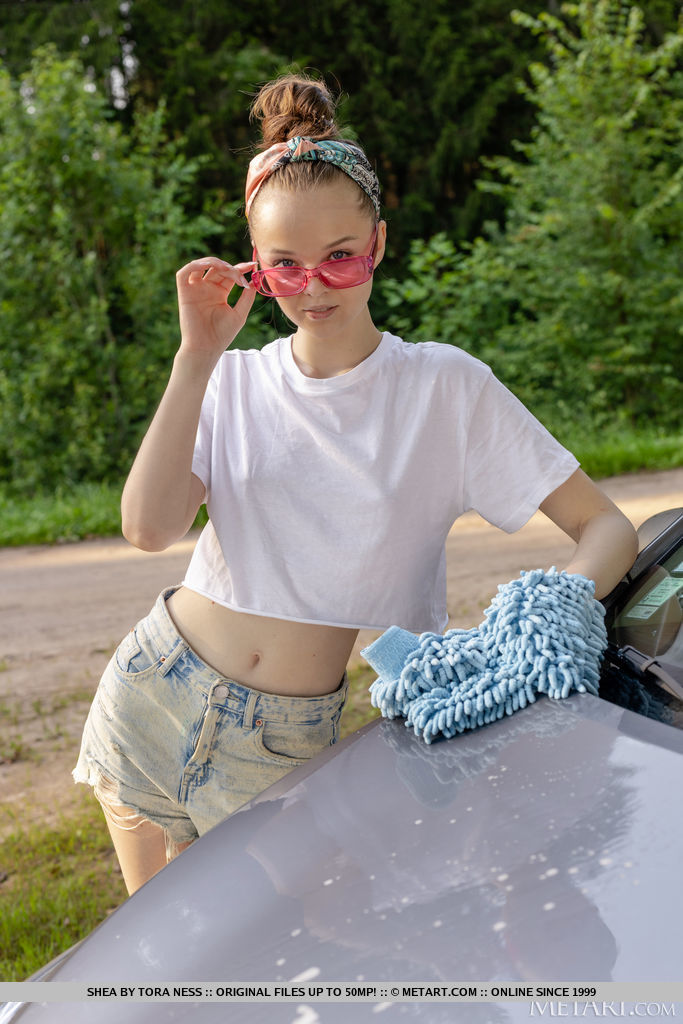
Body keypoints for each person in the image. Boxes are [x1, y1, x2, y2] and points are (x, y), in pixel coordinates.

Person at [73, 73, 638, 895]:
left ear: (375, 243)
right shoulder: (227, 381)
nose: (313, 288)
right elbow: (147, 529)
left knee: (268, 972)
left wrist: (536, 619)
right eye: (285, 268)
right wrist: (194, 356)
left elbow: (609, 529)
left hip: (284, 739)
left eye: (338, 258)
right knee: (159, 973)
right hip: (153, 689)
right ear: (256, 270)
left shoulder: (445, 388)